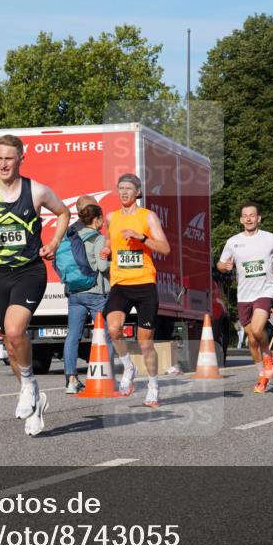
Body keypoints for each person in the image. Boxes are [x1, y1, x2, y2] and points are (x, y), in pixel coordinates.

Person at [0, 134, 70, 436]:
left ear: (21, 158)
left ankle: (30, 385)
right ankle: (34, 401)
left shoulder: (36, 191)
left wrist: (55, 242)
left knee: (16, 330)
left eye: (9, 158)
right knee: (9, 342)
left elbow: (63, 213)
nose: (3, 164)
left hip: (30, 271)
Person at [100, 173, 171, 408]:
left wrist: (141, 238)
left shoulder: (148, 217)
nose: (124, 192)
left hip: (144, 284)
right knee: (113, 328)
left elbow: (165, 248)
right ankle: (128, 366)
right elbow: (109, 242)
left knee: (145, 342)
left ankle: (152, 385)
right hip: (120, 283)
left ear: (138, 192)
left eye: (129, 188)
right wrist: (107, 250)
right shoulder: (110, 217)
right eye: (120, 188)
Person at [217, 202, 273, 393]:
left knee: (257, 330)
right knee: (251, 338)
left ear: (259, 218)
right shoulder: (233, 242)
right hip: (244, 294)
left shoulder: (270, 238)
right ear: (241, 220)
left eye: (252, 215)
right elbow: (220, 264)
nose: (248, 218)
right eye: (245, 216)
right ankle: (262, 375)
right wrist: (226, 267)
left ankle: (267, 356)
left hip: (265, 290)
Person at [62, 203, 113, 394]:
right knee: (105, 336)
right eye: (101, 219)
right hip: (96, 293)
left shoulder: (72, 236)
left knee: (73, 335)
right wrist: (111, 260)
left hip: (74, 292)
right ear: (97, 219)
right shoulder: (98, 238)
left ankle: (71, 379)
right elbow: (101, 267)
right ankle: (106, 376)